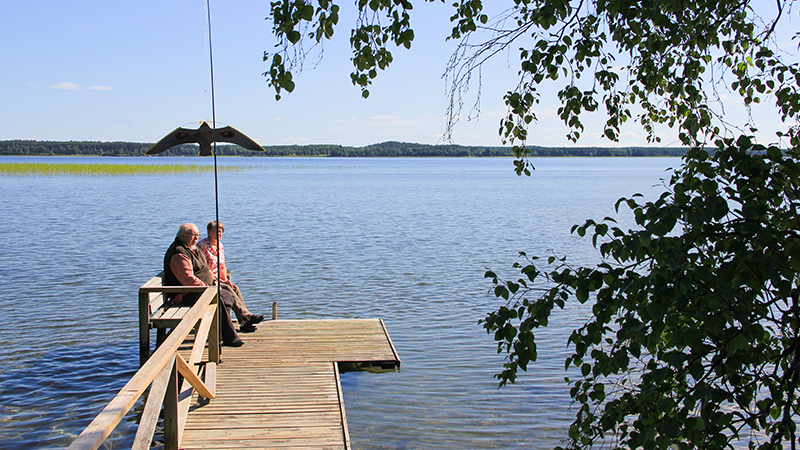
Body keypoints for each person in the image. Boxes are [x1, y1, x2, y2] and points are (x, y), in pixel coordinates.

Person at [163, 223, 243, 347]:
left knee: (226, 295)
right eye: (192, 235)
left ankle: (219, 333)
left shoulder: (191, 248)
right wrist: (208, 288)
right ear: (182, 235)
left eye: (197, 235)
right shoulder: (179, 253)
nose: (196, 238)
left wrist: (215, 281)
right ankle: (229, 337)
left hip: (202, 289)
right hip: (186, 294)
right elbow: (188, 280)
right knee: (219, 298)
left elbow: (206, 269)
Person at [197, 221, 265, 332]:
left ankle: (244, 321)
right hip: (208, 279)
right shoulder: (202, 246)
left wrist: (225, 280)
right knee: (228, 290)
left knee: (234, 287)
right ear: (208, 232)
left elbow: (222, 266)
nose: (218, 234)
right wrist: (219, 280)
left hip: (218, 278)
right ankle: (247, 317)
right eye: (215, 231)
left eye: (220, 232)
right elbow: (205, 269)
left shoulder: (220, 246)